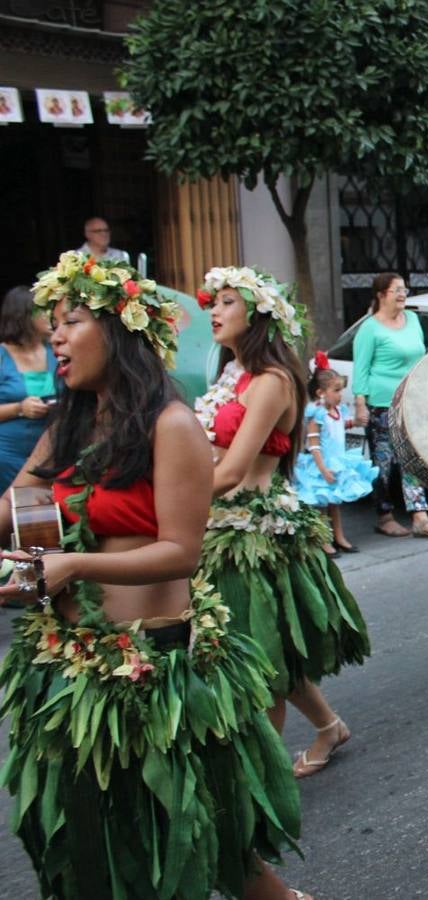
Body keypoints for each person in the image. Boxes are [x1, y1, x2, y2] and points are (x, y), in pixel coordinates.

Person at [0, 252, 308, 899]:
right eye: (51, 322)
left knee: (205, 838)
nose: (53, 334)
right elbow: (20, 501)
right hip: (77, 668)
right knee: (105, 843)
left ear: (120, 331)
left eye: (72, 319)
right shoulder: (71, 426)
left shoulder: (171, 426)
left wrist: (75, 563)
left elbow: (180, 552)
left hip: (156, 668)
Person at [194, 266, 370, 779]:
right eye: (214, 300)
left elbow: (229, 471)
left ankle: (259, 785)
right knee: (264, 653)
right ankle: (329, 726)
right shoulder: (234, 375)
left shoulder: (270, 382)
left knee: (260, 658)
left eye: (227, 301)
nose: (214, 309)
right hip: (222, 528)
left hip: (255, 531)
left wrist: (166, 504)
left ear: (258, 316)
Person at [352, 272, 428, 538]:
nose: (403, 294)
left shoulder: (413, 320)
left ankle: (420, 516)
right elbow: (361, 368)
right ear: (381, 295)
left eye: (404, 289)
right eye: (396, 290)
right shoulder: (370, 327)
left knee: (413, 459)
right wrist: (360, 403)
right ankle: (384, 515)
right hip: (381, 404)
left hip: (411, 401)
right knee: (383, 462)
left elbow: (421, 357)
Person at [294, 356, 377, 556]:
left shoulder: (337, 411)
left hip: (338, 461)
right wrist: (322, 468)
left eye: (341, 390)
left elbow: (342, 424)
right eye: (336, 390)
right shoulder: (317, 415)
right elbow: (314, 445)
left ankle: (338, 536)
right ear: (321, 393)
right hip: (323, 465)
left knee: (335, 502)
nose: (340, 395)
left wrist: (356, 421)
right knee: (322, 504)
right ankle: (323, 540)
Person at [0, 286, 57, 491]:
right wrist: (20, 408)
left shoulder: (56, 350)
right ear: (23, 315)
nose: (50, 315)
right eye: (43, 310)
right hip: (6, 456)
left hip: (51, 454)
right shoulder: (2, 355)